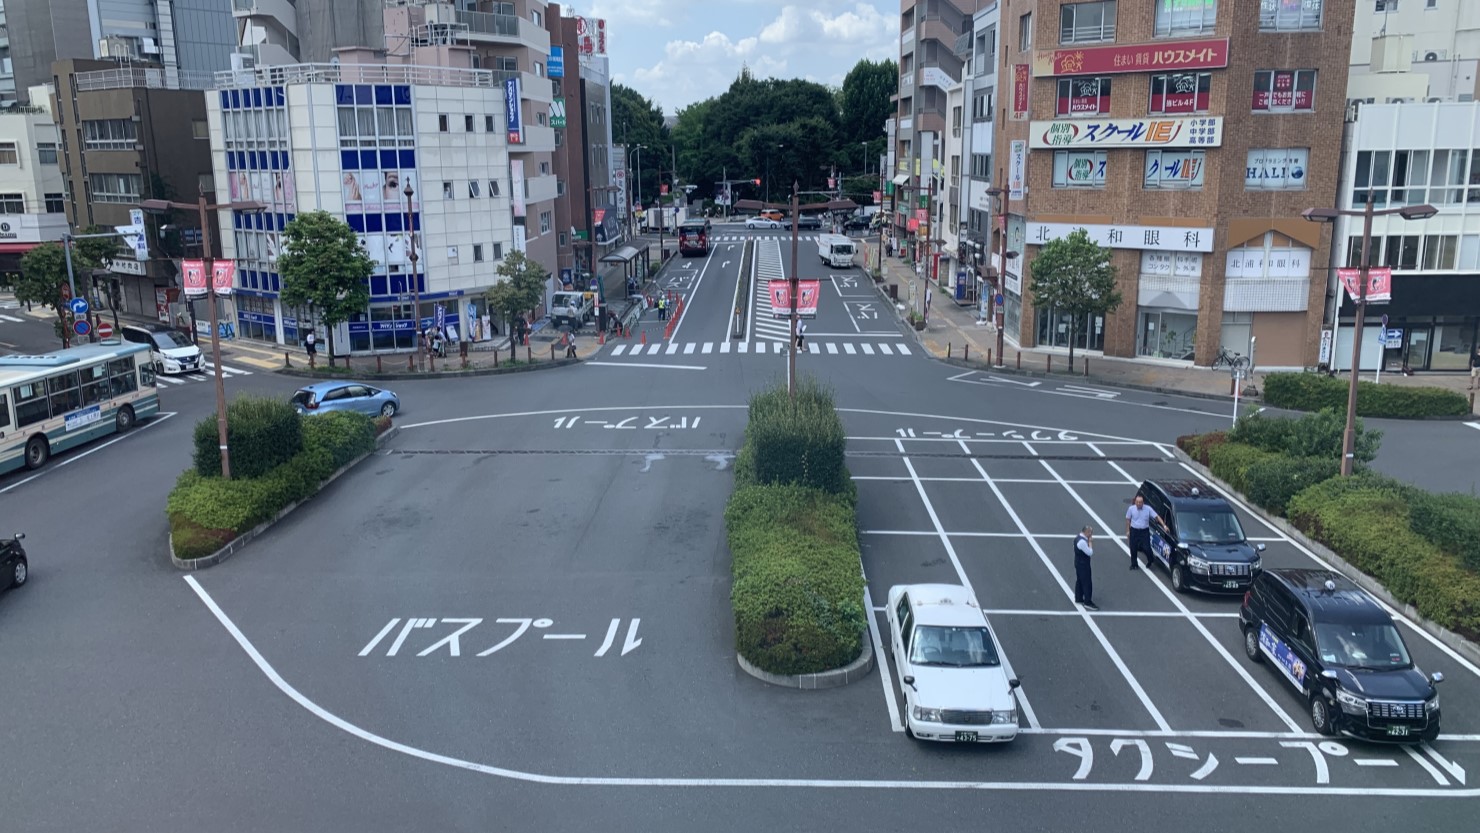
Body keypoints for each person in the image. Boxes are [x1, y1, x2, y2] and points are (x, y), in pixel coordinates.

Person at [1125, 494, 1168, 571]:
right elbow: (1128, 519)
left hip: (1144, 531)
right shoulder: (1131, 509)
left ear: (1143, 502)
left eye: (1140, 502)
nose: (1138, 504)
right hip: (1134, 530)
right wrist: (1128, 531)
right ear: (1135, 502)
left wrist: (1164, 526)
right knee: (1133, 548)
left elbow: (1157, 517)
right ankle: (1134, 564)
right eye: (1137, 502)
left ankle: (1150, 560)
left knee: (1147, 548)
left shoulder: (1148, 509)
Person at [1074, 526, 1097, 611]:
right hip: (1083, 564)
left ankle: (1079, 597)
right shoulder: (1082, 542)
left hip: (1078, 562)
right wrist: (1090, 543)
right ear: (1086, 532)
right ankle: (1088, 602)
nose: (1091, 535)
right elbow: (1089, 552)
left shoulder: (1077, 538)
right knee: (1087, 582)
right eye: (1090, 532)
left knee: (1079, 580)